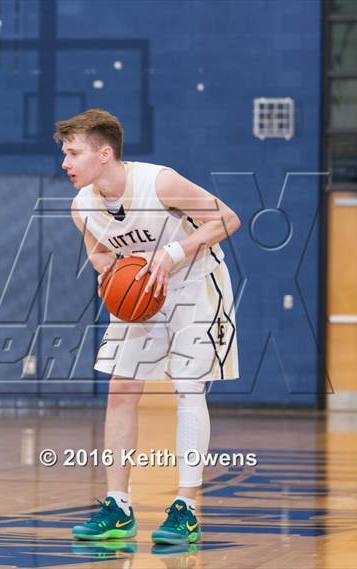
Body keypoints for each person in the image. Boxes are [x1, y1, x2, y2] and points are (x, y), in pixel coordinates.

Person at [54, 108, 240, 545]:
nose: (65, 162)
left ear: (104, 154)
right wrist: (108, 271)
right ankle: (117, 506)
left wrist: (173, 253)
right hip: (143, 292)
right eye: (64, 153)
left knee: (188, 387)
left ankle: (187, 509)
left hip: (195, 283)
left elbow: (227, 219)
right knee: (121, 390)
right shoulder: (82, 206)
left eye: (73, 153)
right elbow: (99, 255)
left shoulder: (159, 182)